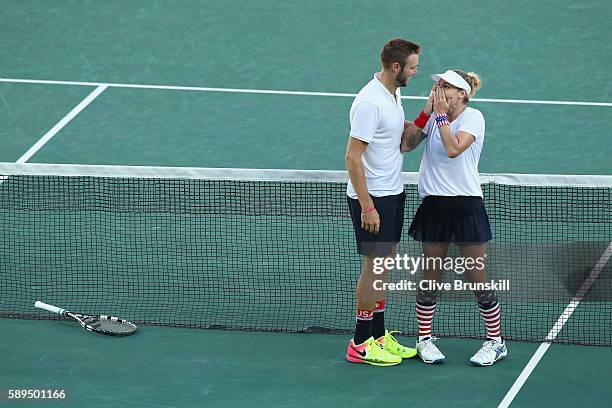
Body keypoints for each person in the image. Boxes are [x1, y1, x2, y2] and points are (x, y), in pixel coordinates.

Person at [400, 69, 507, 366]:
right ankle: (424, 340)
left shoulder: (473, 117)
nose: (439, 89)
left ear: (462, 93)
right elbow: (406, 145)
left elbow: (453, 149)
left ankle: (496, 342)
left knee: (476, 277)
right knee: (430, 276)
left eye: (447, 86)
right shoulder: (434, 117)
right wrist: (425, 114)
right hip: (434, 206)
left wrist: (441, 116)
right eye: (438, 85)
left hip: (466, 206)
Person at [344, 38, 421, 366]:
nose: (415, 72)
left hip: (393, 192)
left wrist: (427, 116)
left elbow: (399, 142)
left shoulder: (393, 92)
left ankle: (378, 335)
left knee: (385, 264)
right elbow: (352, 157)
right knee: (374, 267)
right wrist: (368, 206)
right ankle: (360, 342)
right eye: (413, 67)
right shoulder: (369, 103)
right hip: (373, 197)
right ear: (396, 67)